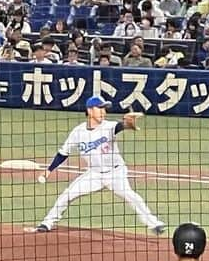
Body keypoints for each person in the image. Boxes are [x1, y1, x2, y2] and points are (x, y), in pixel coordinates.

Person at [35, 96, 166, 234]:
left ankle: (154, 224)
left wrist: (128, 124)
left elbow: (120, 126)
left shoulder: (109, 126)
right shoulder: (78, 132)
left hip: (115, 173)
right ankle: (46, 223)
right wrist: (49, 170)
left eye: (105, 108)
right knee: (67, 195)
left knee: (130, 196)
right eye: (100, 108)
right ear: (90, 110)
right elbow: (63, 153)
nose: (103, 112)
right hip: (94, 174)